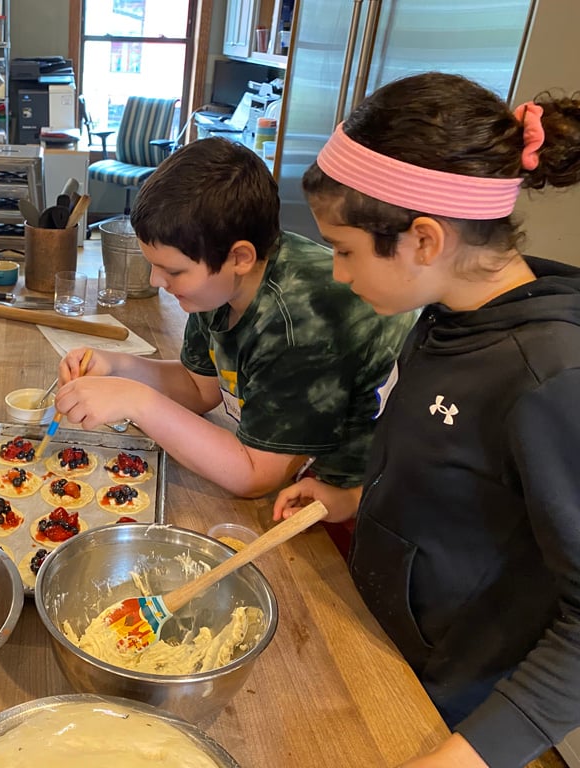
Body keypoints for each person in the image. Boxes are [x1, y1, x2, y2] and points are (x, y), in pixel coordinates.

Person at [271, 72, 580, 767]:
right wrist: (352, 500)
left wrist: (461, 759)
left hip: (451, 717)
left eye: (345, 251)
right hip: (379, 644)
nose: (339, 275)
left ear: (424, 240)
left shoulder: (550, 378)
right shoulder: (443, 318)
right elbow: (464, 485)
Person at [56, 136, 415, 498]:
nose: (156, 282)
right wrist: (117, 368)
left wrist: (136, 400)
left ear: (239, 257)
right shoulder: (219, 285)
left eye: (174, 272)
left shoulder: (299, 320)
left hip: (357, 500)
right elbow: (201, 389)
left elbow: (255, 476)